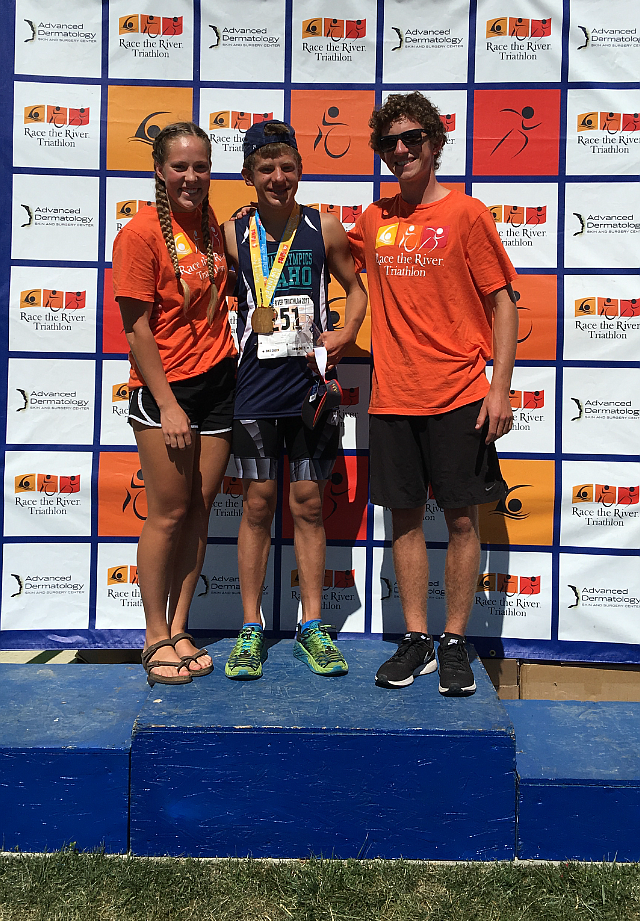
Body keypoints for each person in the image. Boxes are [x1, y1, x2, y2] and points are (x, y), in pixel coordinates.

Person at [348, 92, 518, 696]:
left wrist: (500, 388)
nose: (400, 150)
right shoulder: (374, 219)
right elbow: (342, 272)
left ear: (436, 142)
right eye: (389, 142)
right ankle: (415, 639)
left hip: (459, 392)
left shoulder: (468, 214)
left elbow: (502, 302)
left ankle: (454, 641)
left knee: (464, 522)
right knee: (405, 520)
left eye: (413, 138)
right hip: (393, 395)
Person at [222, 120, 367, 680]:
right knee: (257, 505)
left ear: (300, 171)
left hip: (309, 391)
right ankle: (250, 627)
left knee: (307, 505)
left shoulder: (323, 227)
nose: (278, 178)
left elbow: (356, 288)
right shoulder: (235, 235)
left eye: (287, 167)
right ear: (249, 176)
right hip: (254, 392)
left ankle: (312, 625)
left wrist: (346, 333)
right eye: (266, 169)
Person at [113, 121, 236, 686]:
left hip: (217, 380)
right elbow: (136, 330)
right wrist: (167, 403)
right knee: (167, 511)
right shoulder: (139, 234)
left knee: (200, 507)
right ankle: (153, 636)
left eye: (201, 166)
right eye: (180, 166)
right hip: (166, 391)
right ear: (159, 170)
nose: (191, 177)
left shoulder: (210, 222)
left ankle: (181, 625)